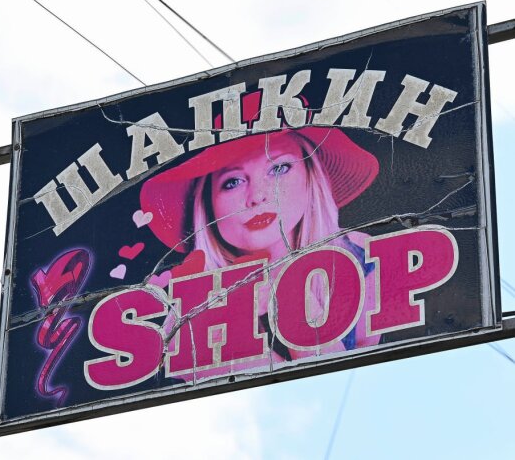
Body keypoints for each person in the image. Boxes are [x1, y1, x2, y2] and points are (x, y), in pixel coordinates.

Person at [139, 127, 381, 365]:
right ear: (208, 203)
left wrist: (290, 297)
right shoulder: (188, 314)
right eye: (233, 182)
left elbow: (350, 376)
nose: (257, 196)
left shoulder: (360, 254)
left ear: (311, 174)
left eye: (278, 168)